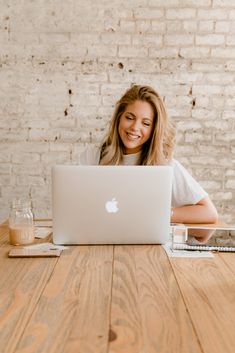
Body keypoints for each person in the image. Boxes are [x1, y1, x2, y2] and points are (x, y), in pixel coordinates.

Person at [79, 84, 218, 224]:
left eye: (145, 123)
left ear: (154, 130)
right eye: (129, 117)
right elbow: (77, 204)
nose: (135, 127)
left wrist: (159, 213)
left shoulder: (165, 165)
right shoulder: (92, 155)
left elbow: (209, 213)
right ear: (119, 118)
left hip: (145, 243)